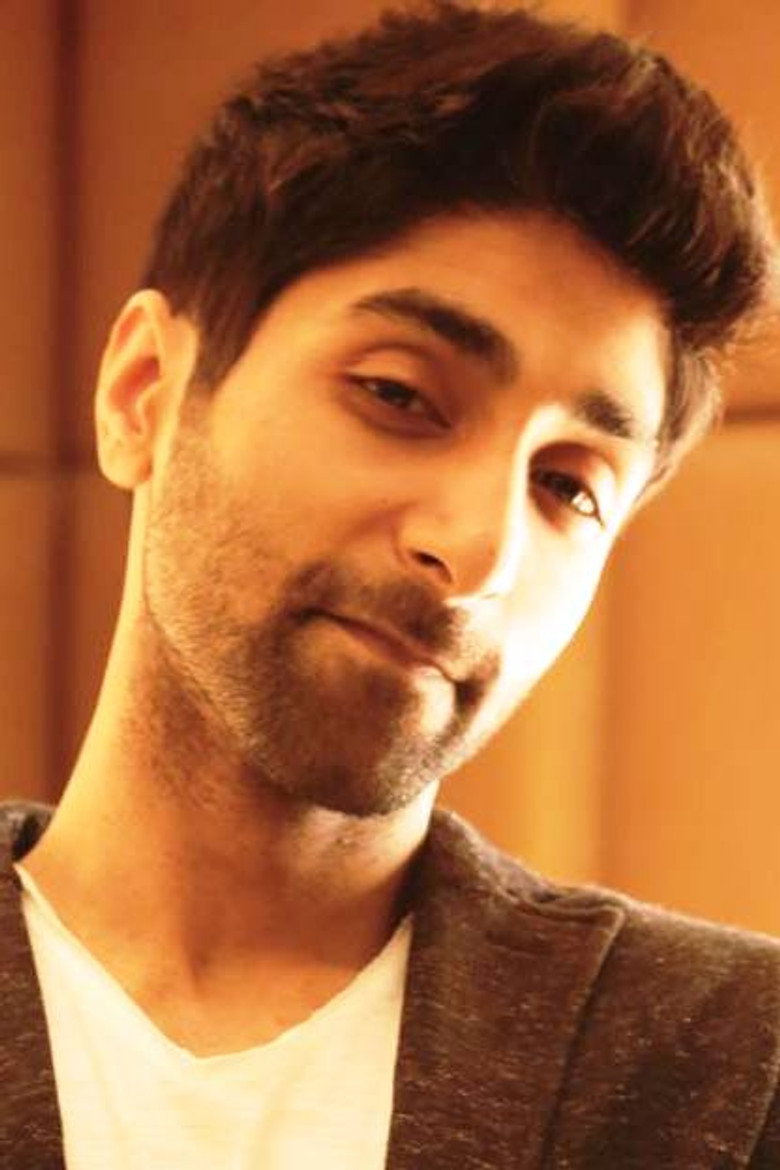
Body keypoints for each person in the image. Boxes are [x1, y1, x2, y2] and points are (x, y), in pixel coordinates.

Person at [1, 0, 778, 1166]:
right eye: (399, 396)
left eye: (568, 486)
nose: (480, 554)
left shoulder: (734, 1069)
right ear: (145, 393)